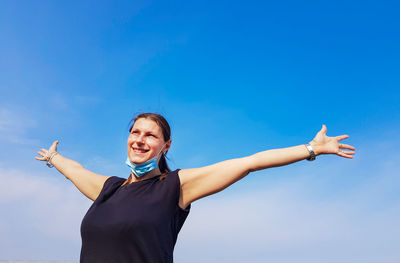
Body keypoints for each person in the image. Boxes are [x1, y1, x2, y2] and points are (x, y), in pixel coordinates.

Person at [35, 112, 355, 263]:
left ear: (165, 145)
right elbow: (73, 170)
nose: (139, 139)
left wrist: (310, 149)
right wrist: (53, 157)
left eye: (150, 135)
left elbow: (250, 162)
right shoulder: (108, 189)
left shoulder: (175, 187)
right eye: (135, 132)